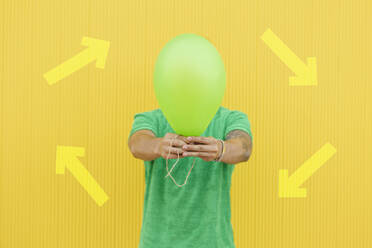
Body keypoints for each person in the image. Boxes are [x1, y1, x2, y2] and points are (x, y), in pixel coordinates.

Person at [127, 105, 253, 248]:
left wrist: (221, 148)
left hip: (213, 242)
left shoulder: (230, 118)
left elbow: (244, 148)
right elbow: (136, 144)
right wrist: (158, 145)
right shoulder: (152, 118)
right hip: (158, 242)